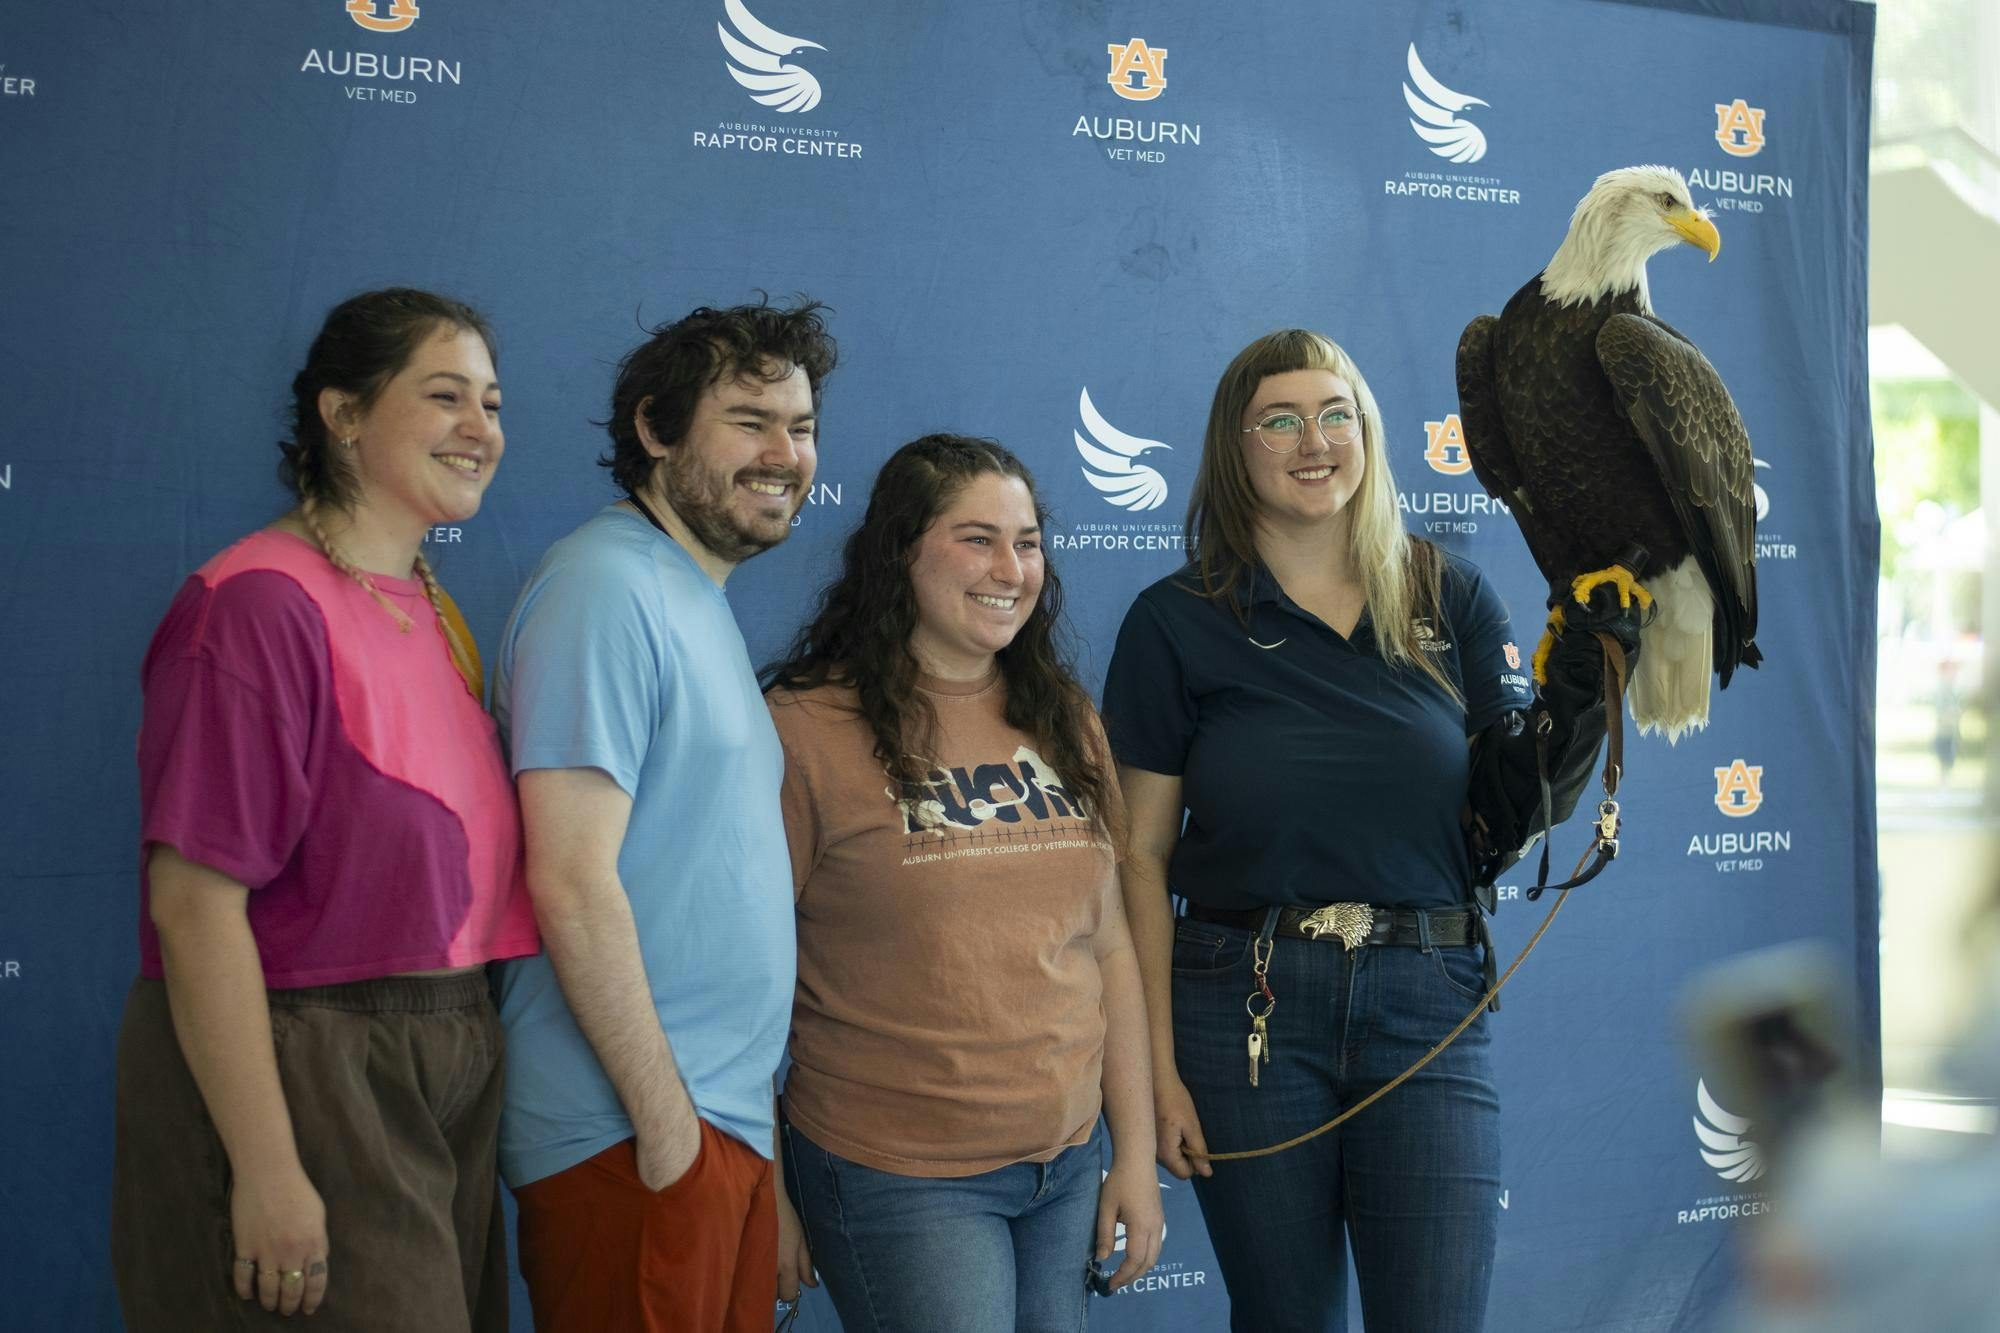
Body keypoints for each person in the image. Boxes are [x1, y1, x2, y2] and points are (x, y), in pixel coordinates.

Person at [1101, 329, 1633, 1333]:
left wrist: (1584, 698)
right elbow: (1137, 857)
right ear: (1235, 445)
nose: (1315, 439)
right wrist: (1157, 1072)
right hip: (1239, 1007)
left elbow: (1515, 811)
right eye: (1281, 420)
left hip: (1423, 996)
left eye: (1336, 413)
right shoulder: (1172, 621)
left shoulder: (1449, 592)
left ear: (1368, 433)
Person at [111, 288, 537, 1331]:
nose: (481, 428)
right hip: (308, 1062)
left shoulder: (430, 608)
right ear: (342, 413)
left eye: (492, 401)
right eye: (445, 396)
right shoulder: (256, 604)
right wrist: (266, 1168)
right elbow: (195, 904)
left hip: (443, 1055)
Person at [764, 434, 1164, 1332]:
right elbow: (741, 978)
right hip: (900, 1172)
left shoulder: (1064, 715)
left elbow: (1107, 944)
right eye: (977, 538)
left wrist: (1131, 1154)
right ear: (900, 551)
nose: (1010, 568)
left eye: (1025, 541)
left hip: (1064, 1165)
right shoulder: (803, 728)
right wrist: (763, 1185)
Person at [492, 299, 836, 1333]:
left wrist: (739, 1146)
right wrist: (664, 1127)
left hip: (705, 1131)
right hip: (630, 1136)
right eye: (748, 420)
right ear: (654, 429)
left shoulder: (692, 592)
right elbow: (569, 875)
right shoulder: (603, 588)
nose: (784, 454)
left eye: (803, 427)